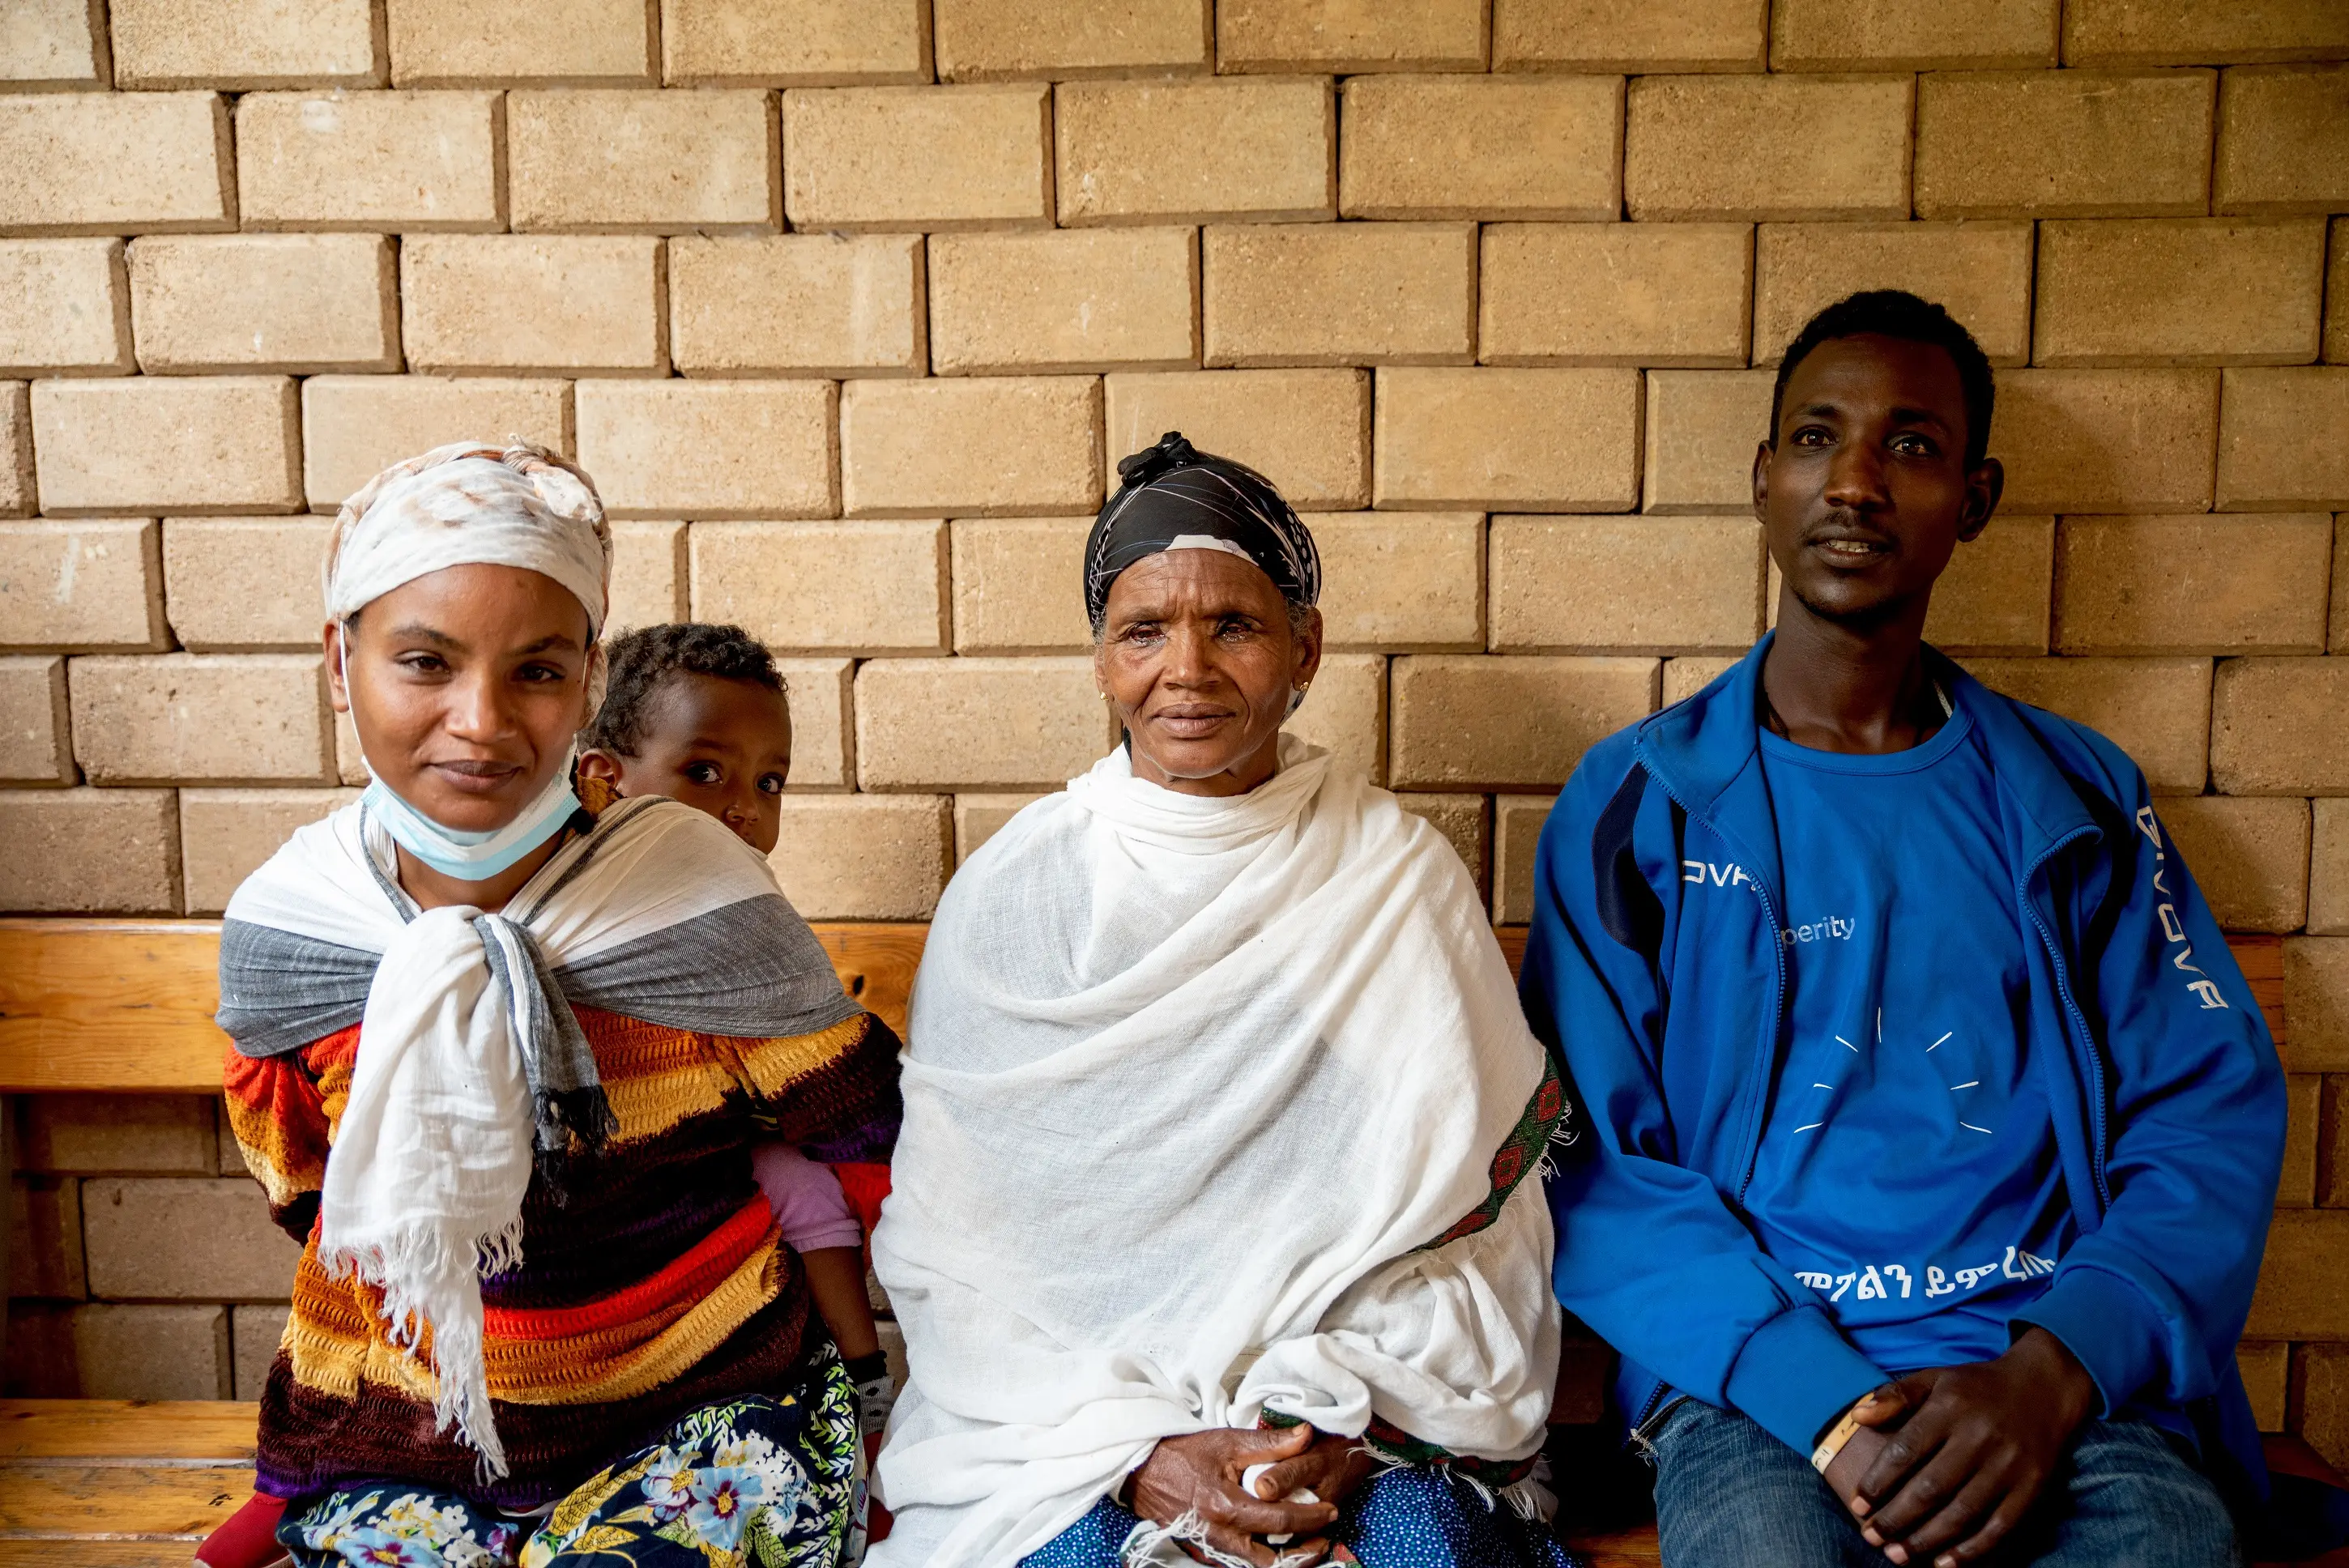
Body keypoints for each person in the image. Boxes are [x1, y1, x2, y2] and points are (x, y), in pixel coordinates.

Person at [1519, 292, 2288, 1568]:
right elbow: (1584, 1154)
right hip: (1757, 1396)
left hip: (2048, 1382)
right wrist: (1813, 1400)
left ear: (1975, 501)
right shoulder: (1644, 804)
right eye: (1818, 439)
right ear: (1765, 480)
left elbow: (2204, 1115)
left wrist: (2056, 1376)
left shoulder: (2078, 802)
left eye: (1912, 447)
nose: (1858, 484)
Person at [867, 432, 1575, 1568]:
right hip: (1074, 1432)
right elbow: (966, 1257)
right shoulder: (1017, 898)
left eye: (1233, 625)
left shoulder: (1390, 878)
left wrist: (1328, 1435)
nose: (1185, 668)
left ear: (1306, 650)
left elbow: (1472, 1238)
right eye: (1144, 630)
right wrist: (1141, 1454)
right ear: (1102, 661)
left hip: (1357, 1423)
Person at [215, 443, 902, 1568]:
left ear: (588, 679)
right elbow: (310, 1193)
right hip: (400, 1441)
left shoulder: (700, 902)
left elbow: (873, 1130)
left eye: (536, 672)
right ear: (340, 663)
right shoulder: (294, 933)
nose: (479, 721)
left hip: (708, 1424)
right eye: (425, 662)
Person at [576, 620, 896, 1453]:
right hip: (597, 1195)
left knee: (807, 1182)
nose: (745, 806)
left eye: (772, 781)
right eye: (704, 771)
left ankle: (866, 1385)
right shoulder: (564, 901)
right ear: (606, 780)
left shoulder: (745, 914)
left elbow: (815, 1069)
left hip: (720, 1165)